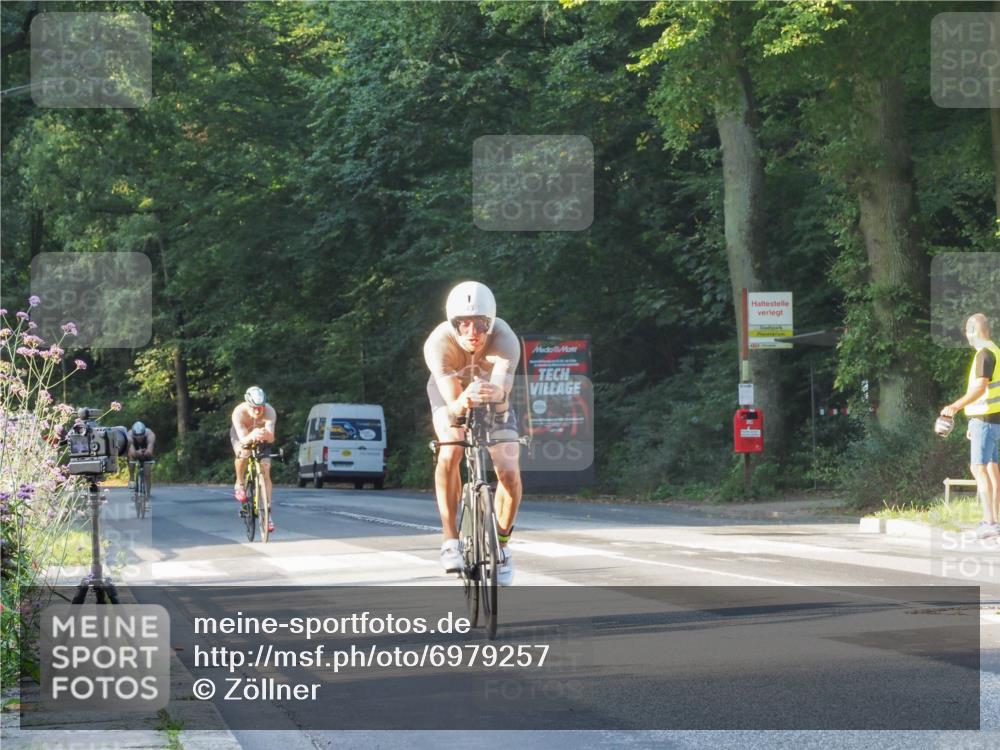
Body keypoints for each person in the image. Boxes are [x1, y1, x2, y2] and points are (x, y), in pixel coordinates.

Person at [424, 281, 522, 585]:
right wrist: (462, 402)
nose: (472, 333)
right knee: (450, 450)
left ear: (491, 322)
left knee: (508, 469)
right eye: (463, 325)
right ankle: (450, 540)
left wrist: (498, 396)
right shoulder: (438, 343)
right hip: (451, 397)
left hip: (494, 397)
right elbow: (454, 408)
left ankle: (502, 547)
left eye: (480, 324)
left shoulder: (505, 339)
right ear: (452, 324)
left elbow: (502, 398)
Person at [940, 313, 1000, 540]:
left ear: (974, 331)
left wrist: (954, 407)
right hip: (989, 420)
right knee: (992, 468)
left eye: (967, 330)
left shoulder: (984, 355)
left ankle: (989, 522)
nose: (966, 335)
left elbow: (980, 389)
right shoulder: (995, 351)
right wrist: (972, 420)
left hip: (984, 420)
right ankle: (993, 520)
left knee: (979, 468)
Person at [231, 386, 277, 533]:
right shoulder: (239, 413)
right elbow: (243, 439)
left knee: (266, 468)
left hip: (261, 437)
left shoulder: (270, 412)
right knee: (243, 453)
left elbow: (271, 437)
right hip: (243, 436)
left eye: (261, 407)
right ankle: (239, 482)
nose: (258, 411)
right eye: (254, 407)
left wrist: (265, 434)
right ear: (248, 404)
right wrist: (252, 435)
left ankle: (267, 515)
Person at [126, 422, 156, 497]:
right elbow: (132, 453)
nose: (139, 437)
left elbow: (150, 451)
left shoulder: (150, 434)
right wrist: (137, 453)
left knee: (147, 472)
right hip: (134, 449)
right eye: (136, 435)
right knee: (131, 457)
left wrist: (146, 452)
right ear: (133, 434)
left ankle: (148, 492)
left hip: (146, 449)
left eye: (141, 435)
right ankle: (132, 477)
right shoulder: (129, 436)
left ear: (144, 433)